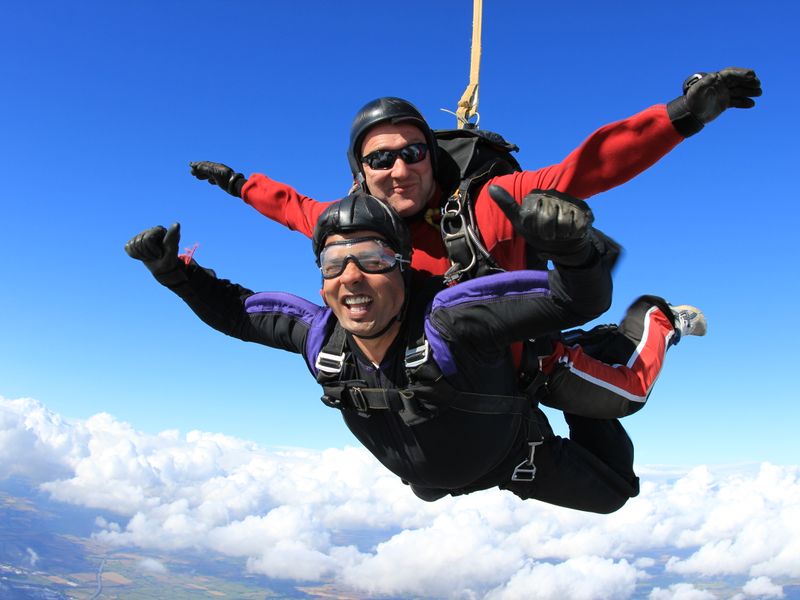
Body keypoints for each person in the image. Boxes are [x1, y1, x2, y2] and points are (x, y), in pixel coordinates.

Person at [125, 191, 705, 510]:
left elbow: (570, 300)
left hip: (513, 457)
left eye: (373, 260)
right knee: (436, 483)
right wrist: (172, 273)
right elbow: (236, 313)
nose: (352, 276)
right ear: (321, 278)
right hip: (447, 471)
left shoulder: (452, 322)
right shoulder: (319, 335)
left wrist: (577, 254)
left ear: (402, 268)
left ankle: (650, 321)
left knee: (614, 489)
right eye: (334, 263)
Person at [189, 67, 761, 280]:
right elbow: (292, 208)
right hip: (440, 377)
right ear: (361, 175)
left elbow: (581, 172)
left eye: (413, 153)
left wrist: (680, 117)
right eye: (379, 159)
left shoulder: (484, 204)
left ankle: (659, 324)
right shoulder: (357, 224)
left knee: (611, 453)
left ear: (432, 158)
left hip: (516, 362)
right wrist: (239, 183)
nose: (398, 169)